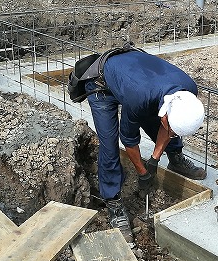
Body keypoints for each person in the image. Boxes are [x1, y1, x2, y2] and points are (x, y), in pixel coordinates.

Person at [85, 48, 207, 243]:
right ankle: (113, 202)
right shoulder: (138, 98)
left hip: (137, 77)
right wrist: (143, 172)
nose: (172, 133)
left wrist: (154, 159)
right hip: (102, 83)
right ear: (166, 114)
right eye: (172, 128)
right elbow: (129, 140)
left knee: (158, 123)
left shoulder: (188, 91)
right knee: (109, 145)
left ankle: (175, 159)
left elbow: (168, 129)